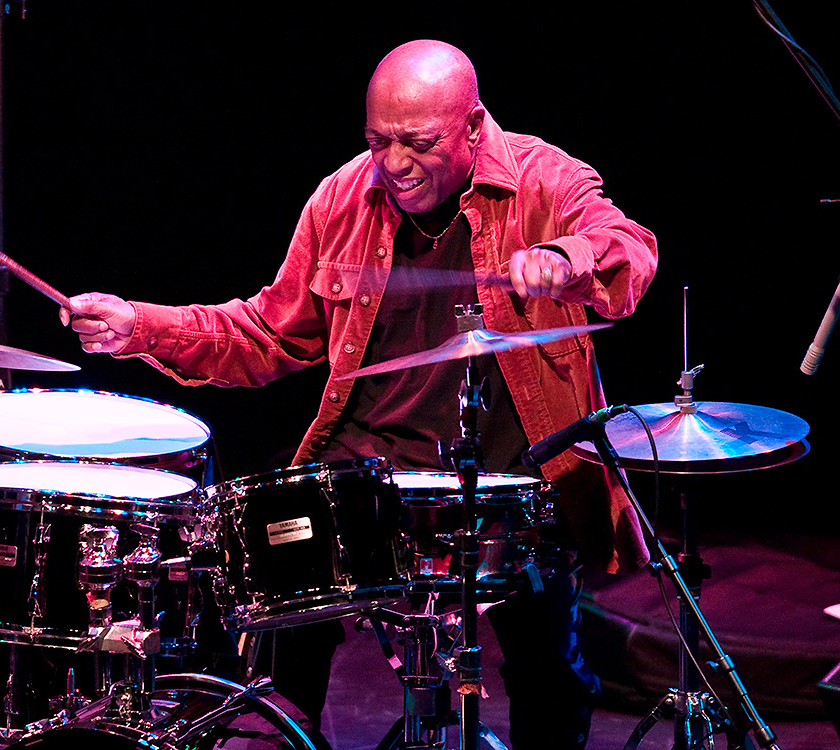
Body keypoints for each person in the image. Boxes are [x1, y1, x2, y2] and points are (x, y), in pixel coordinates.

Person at [61, 40, 657, 750]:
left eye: (418, 142)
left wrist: (566, 258)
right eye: (378, 141)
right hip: (368, 477)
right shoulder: (342, 198)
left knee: (548, 674)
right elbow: (265, 334)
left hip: (514, 479)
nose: (395, 164)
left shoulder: (544, 177)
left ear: (470, 127)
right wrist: (145, 326)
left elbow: (627, 247)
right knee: (277, 630)